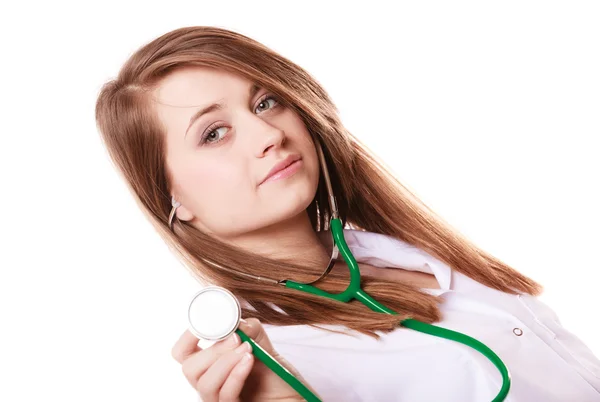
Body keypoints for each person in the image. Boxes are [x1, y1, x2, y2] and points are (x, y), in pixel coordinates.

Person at [94, 26, 600, 401]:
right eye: (213, 133)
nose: (269, 135)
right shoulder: (270, 365)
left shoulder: (412, 249)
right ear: (171, 198)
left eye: (266, 102)